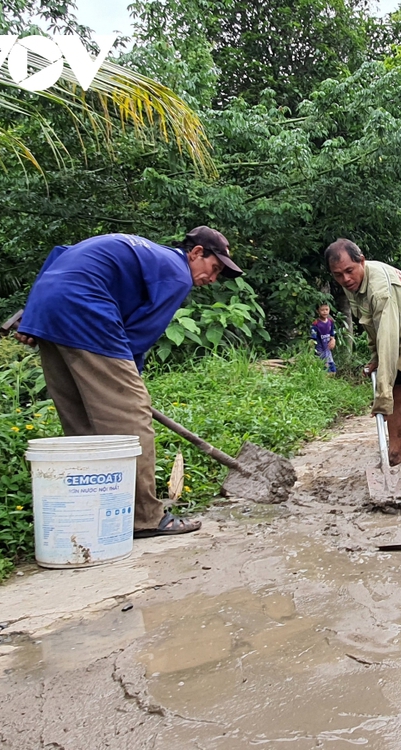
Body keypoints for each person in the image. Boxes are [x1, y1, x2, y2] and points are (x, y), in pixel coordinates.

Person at [15, 227, 242, 537]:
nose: (212, 279)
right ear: (196, 253)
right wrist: (130, 382)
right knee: (132, 416)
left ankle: (97, 508)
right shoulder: (177, 273)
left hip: (51, 309)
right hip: (86, 310)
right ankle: (144, 517)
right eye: (213, 268)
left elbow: (61, 254)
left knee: (82, 421)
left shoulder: (150, 256)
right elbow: (140, 336)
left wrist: (34, 315)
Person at [325, 238, 401, 481]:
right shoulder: (351, 284)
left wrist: (382, 398)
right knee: (398, 389)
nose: (346, 279)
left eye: (350, 271)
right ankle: (395, 456)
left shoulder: (381, 289)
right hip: (400, 333)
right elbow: (372, 325)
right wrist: (375, 358)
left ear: (361, 261)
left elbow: (388, 339)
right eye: (338, 275)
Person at [309, 303, 338, 373]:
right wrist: (311, 350)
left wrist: (333, 340)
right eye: (322, 310)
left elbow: (332, 334)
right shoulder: (315, 324)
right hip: (320, 350)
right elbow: (313, 339)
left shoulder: (331, 322)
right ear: (317, 311)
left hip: (327, 349)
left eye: (326, 309)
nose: (325, 311)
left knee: (333, 369)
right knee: (325, 368)